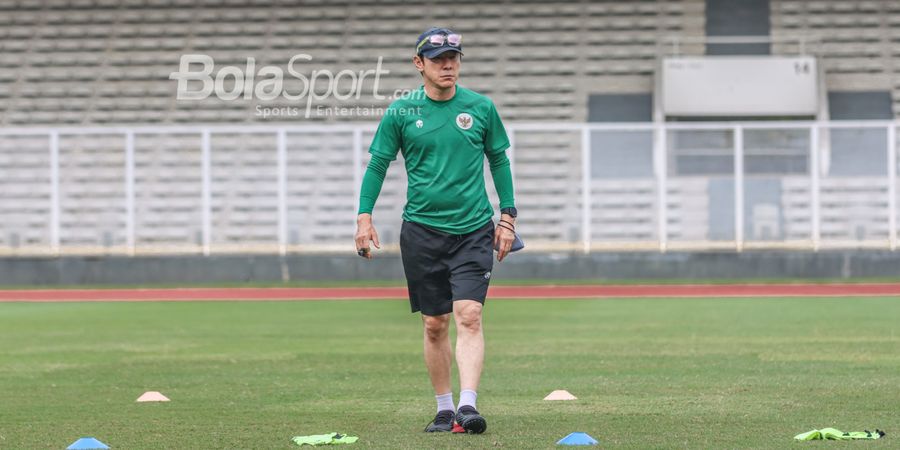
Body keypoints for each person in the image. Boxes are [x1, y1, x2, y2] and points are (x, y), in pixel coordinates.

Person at [354, 26, 518, 434]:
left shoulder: (481, 108)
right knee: (434, 323)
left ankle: (468, 406)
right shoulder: (401, 112)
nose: (448, 65)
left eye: (454, 57)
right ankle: (444, 407)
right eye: (438, 59)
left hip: (474, 230)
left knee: (470, 315)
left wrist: (508, 217)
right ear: (418, 64)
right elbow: (377, 164)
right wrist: (364, 216)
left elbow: (499, 161)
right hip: (422, 232)